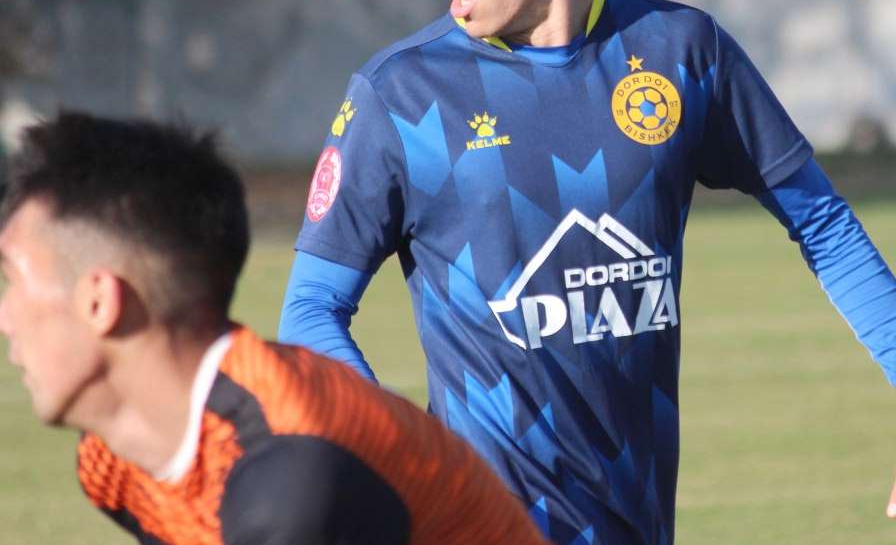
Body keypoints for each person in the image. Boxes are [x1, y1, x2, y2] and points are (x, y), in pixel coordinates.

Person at [280, 0, 896, 545]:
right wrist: (402, 454)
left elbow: (824, 225)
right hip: (478, 521)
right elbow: (311, 308)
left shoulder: (681, 53)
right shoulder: (402, 94)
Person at [0, 112, 546, 545]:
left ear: (101, 301)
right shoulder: (114, 458)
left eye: (13, 281)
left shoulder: (293, 473)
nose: (5, 319)